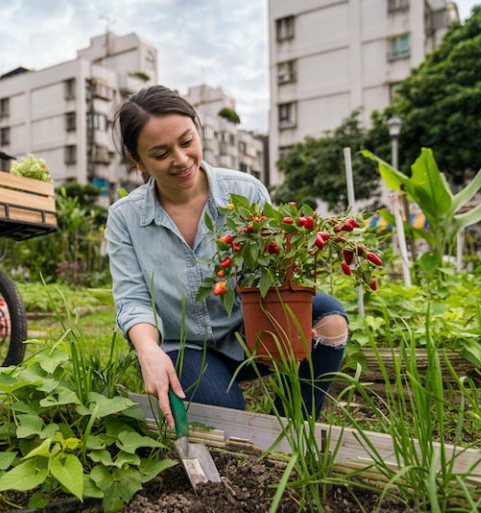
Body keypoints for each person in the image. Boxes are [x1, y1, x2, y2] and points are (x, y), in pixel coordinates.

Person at [105, 85, 349, 428]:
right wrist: (148, 351)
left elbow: (273, 267)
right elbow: (133, 299)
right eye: (160, 154)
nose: (180, 159)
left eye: (187, 141)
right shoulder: (125, 218)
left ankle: (292, 425)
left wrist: (286, 320)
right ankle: (227, 400)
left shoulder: (245, 192)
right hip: (186, 347)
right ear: (137, 159)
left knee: (329, 318)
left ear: (197, 130)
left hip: (251, 334)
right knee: (229, 420)